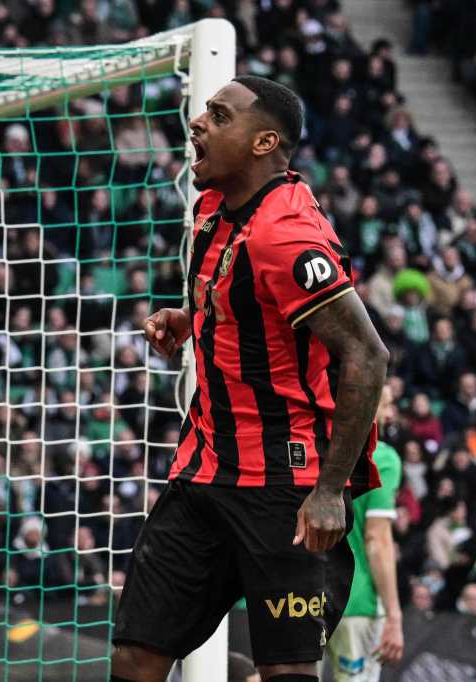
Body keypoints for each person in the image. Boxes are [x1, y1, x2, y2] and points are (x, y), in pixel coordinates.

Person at [111, 76, 389, 682]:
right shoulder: (212, 206)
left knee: (284, 671)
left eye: (219, 114)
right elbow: (244, 299)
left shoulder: (286, 235)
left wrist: (327, 491)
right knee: (135, 654)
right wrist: (190, 319)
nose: (199, 122)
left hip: (284, 488)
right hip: (204, 471)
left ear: (264, 142)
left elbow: (367, 356)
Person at [322, 386, 404, 681]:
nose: (391, 413)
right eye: (387, 404)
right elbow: (377, 541)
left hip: (301, 597)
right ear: (370, 407)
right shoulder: (382, 458)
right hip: (356, 601)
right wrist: (394, 614)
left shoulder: (314, 448)